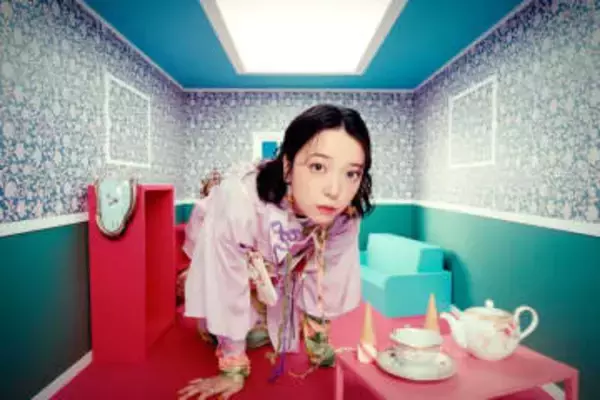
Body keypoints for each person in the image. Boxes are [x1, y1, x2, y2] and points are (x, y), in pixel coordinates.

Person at [178, 104, 374, 400]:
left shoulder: (345, 216)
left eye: (351, 173)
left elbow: (327, 278)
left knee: (268, 331)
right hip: (225, 248)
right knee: (216, 330)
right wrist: (232, 368)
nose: (335, 190)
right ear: (287, 167)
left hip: (277, 266)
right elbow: (224, 282)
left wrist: (318, 345)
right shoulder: (240, 201)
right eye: (318, 167)